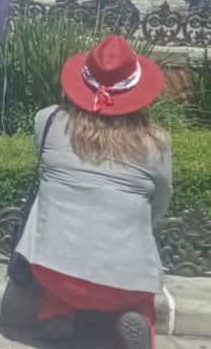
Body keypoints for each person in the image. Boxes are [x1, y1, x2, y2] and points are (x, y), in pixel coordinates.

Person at [14, 35, 170, 349]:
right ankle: (136, 315)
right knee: (139, 286)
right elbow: (160, 203)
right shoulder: (156, 143)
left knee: (56, 220)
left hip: (52, 271)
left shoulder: (48, 121)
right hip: (123, 283)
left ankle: (55, 312)